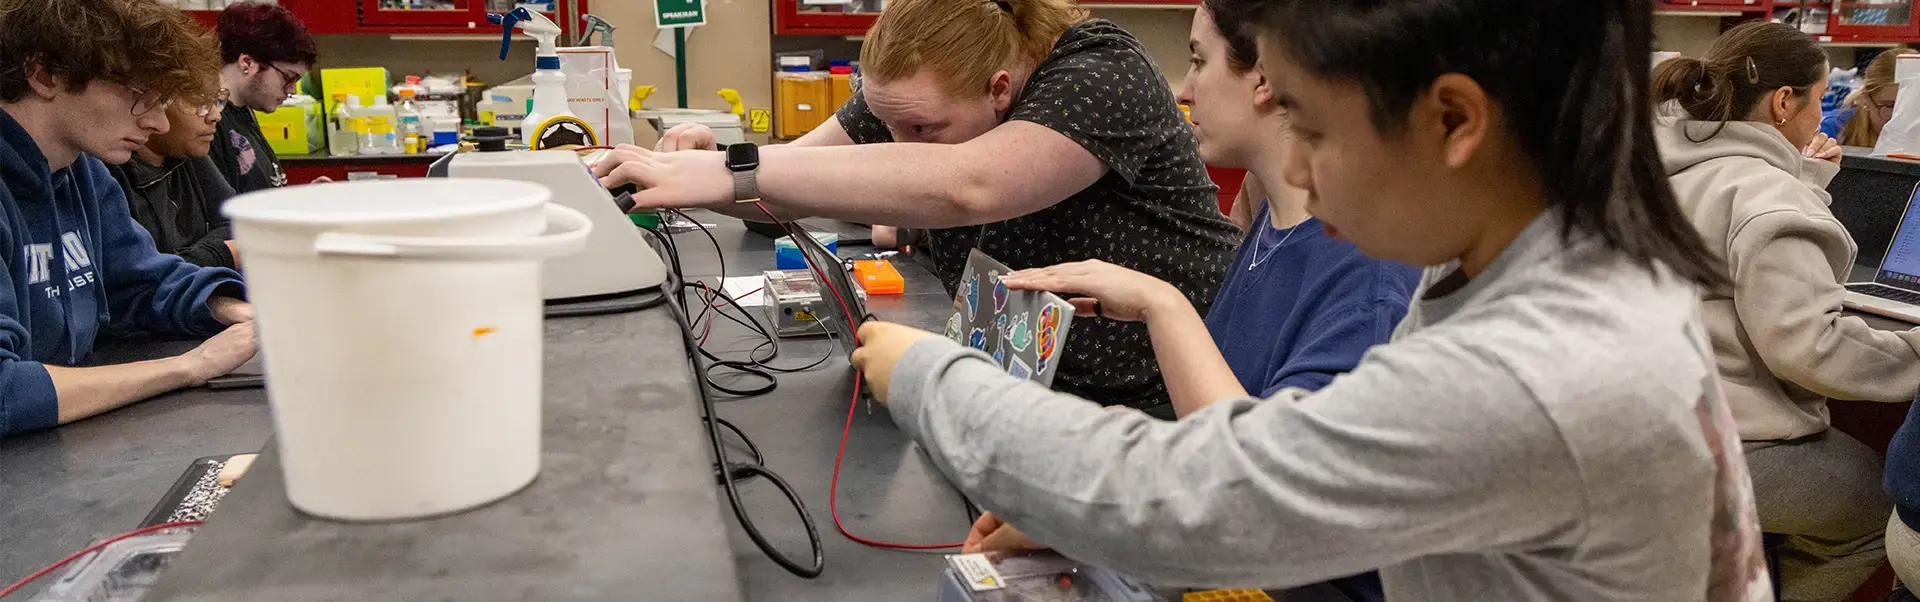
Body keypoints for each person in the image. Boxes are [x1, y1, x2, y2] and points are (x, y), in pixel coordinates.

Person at [847, 0, 1774, 598]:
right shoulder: (1559, 266)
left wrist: (929, 373)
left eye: (1313, 126)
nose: (1292, 167)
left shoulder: (1535, 367)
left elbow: (1194, 503)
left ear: (1453, 119)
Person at [954, 7, 1419, 601]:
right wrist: (1081, 515)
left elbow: (1263, 505)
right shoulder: (1272, 228)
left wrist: (1162, 304)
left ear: (1266, 76)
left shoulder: (1366, 280)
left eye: (1199, 60)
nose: (1184, 88)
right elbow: (1210, 454)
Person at [597, 0, 1241, 416]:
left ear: (999, 90)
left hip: (1164, 391)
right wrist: (711, 166)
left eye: (921, 131)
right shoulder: (909, 100)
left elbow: (969, 185)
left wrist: (728, 170)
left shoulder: (1100, 71)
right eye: (885, 123)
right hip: (1030, 384)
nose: (898, 144)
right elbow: (783, 187)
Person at [1654, 22, 1920, 602]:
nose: (1821, 112)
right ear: (1783, 102)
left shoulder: (1656, 173)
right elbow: (1809, 348)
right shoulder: (1768, 197)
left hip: (1635, 423)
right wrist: (1913, 353)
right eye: (1820, 98)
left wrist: (1801, 180)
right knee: (1879, 517)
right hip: (1724, 444)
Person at [0, 0, 258, 440]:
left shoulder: (82, 172)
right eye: (140, 97)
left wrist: (237, 313)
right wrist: (189, 366)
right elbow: (6, 391)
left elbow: (140, 281)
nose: (158, 123)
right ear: (44, 75)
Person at [108, 87, 240, 270]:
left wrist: (190, 259)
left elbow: (235, 220)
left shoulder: (190, 154)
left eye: (216, 101)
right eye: (199, 102)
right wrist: (224, 252)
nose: (215, 115)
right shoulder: (108, 173)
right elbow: (141, 276)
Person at [208, 1, 317, 195]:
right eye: (288, 78)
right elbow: (225, 216)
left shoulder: (244, 111)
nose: (292, 90)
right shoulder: (210, 122)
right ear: (247, 63)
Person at [1822, 49, 1916, 147]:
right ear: (1867, 99)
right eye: (1891, 106)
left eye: (1914, 105)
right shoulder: (1833, 131)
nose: (1903, 118)